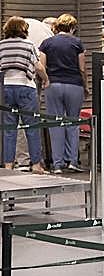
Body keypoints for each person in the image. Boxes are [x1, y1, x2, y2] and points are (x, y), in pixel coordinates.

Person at [37, 14, 87, 173]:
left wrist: (46, 81)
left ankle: (57, 164)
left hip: (54, 85)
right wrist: (85, 86)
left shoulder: (46, 43)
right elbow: (82, 68)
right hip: (74, 85)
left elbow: (42, 66)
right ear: (72, 28)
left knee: (56, 123)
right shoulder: (77, 43)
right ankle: (72, 161)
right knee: (73, 123)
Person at [0, 17, 48, 173]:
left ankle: (8, 165)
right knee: (31, 126)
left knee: (9, 129)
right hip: (26, 88)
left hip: (7, 88)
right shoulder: (29, 45)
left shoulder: (2, 46)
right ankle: (35, 165)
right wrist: (46, 79)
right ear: (23, 30)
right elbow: (38, 66)